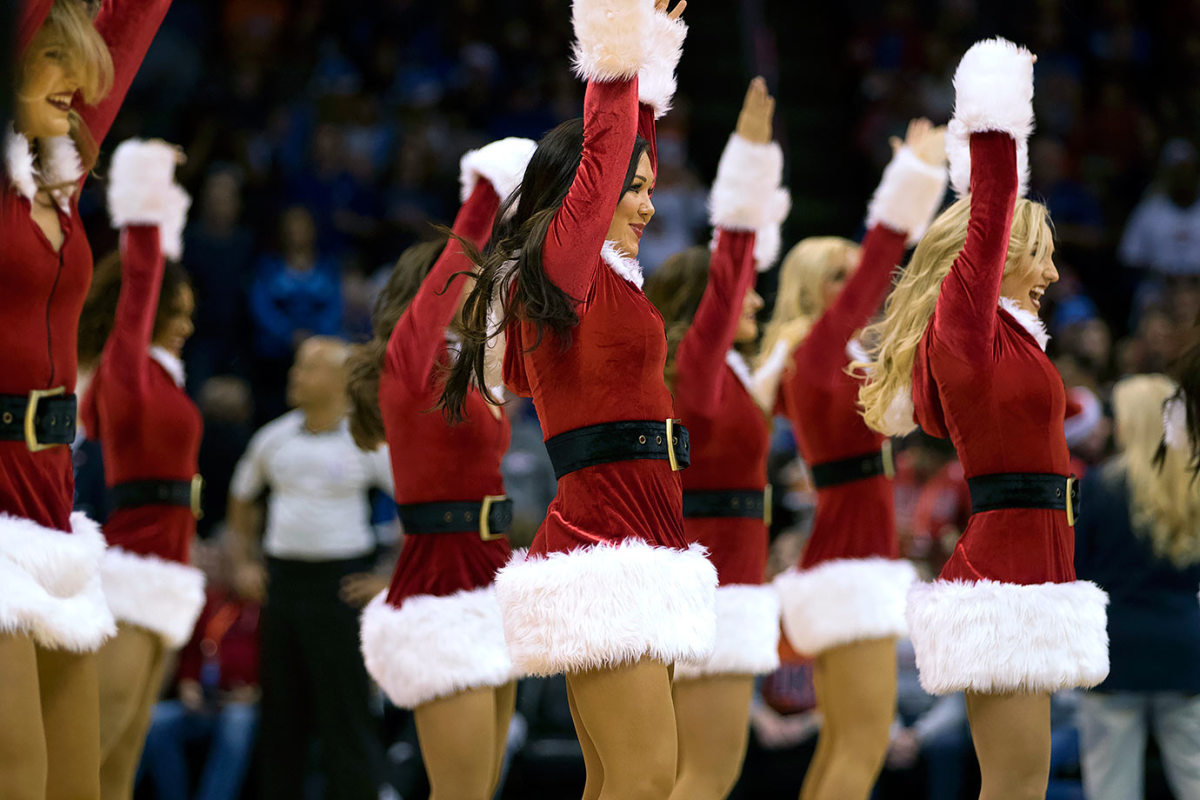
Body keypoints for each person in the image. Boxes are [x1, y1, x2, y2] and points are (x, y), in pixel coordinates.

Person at [440, 1, 717, 797]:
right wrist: (616, 45)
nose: (649, 205)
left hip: (648, 527)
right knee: (643, 779)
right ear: (579, 197)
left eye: (650, 188)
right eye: (632, 190)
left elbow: (626, 148)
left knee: (624, 780)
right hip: (607, 534)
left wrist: (651, 63)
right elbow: (606, 146)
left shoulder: (606, 281)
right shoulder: (567, 272)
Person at [858, 39, 1109, 800]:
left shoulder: (1006, 343)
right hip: (1004, 570)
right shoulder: (965, 331)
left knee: (1021, 783)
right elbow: (994, 202)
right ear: (997, 259)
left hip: (1039, 565)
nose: (1056, 274)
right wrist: (997, 106)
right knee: (1014, 786)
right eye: (1042, 256)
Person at [1, 1, 172, 796]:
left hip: (52, 497)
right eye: (53, 59)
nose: (77, 81)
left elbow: (131, 24)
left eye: (83, 66)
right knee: (18, 770)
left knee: (79, 781)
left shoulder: (58, 174)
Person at [763, 117, 948, 800]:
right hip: (852, 556)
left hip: (844, 548)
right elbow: (880, 262)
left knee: (843, 743)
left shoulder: (826, 360)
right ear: (814, 288)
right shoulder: (816, 353)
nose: (855, 289)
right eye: (836, 277)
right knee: (860, 746)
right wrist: (914, 181)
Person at [349, 136, 534, 800]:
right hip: (440, 580)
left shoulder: (471, 372)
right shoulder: (409, 367)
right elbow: (462, 256)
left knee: (484, 789)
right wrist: (486, 193)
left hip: (493, 572)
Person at [643, 77, 789, 800]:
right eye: (742, 291)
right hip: (715, 584)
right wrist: (750, 162)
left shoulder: (722, 376)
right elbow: (733, 270)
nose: (754, 295)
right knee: (703, 776)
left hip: (720, 576)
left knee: (679, 775)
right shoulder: (694, 371)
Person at [76, 139, 203, 799]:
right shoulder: (125, 375)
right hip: (129, 569)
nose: (184, 324)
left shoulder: (164, 379)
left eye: (188, 316)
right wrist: (149, 184)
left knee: (123, 759)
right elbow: (144, 268)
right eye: (174, 313)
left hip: (170, 572)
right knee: (94, 752)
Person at [227, 336, 393, 800]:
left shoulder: (368, 441)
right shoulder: (273, 437)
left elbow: (415, 508)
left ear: (341, 380)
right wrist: (243, 562)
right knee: (279, 715)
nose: (295, 376)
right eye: (297, 367)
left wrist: (391, 577)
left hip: (341, 588)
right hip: (281, 587)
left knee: (346, 713)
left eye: (308, 368)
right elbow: (241, 500)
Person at [1074, 374, 1200, 800]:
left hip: (1115, 653)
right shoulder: (1194, 489)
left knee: (1111, 787)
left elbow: (1080, 571)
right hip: (1187, 652)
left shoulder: (1098, 487)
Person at [140, 540, 261, 800]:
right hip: (205, 700)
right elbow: (192, 652)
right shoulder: (210, 603)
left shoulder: (263, 609)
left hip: (242, 702)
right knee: (157, 721)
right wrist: (188, 683)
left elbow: (277, 663)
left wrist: (257, 690)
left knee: (238, 721)